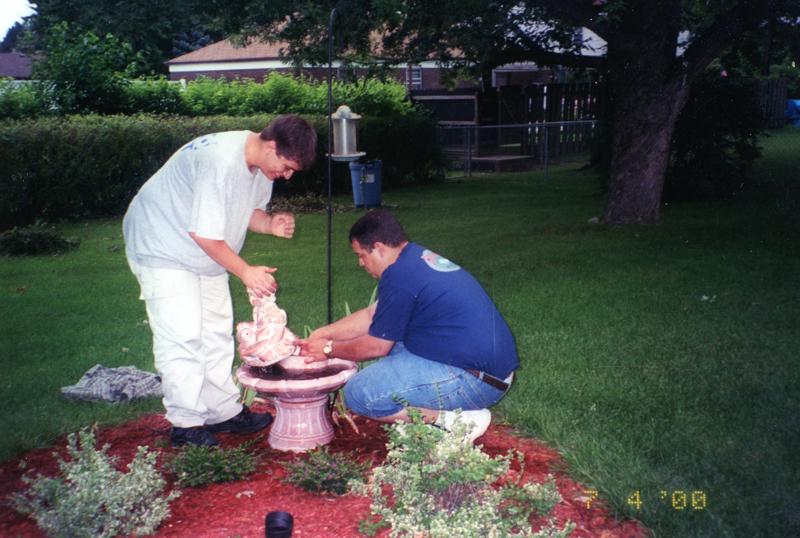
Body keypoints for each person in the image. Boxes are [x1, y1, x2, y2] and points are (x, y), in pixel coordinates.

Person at [123, 115, 317, 447]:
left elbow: (247, 213)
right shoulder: (220, 161)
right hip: (162, 243)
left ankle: (222, 411)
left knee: (215, 332)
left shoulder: (260, 166)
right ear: (271, 146)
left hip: (204, 251)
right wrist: (246, 271)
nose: (287, 176)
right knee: (183, 336)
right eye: (286, 167)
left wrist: (270, 223)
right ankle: (185, 424)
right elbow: (203, 233)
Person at [299, 210, 519, 442]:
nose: (360, 263)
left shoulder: (400, 276)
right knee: (395, 341)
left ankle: (455, 421)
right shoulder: (414, 258)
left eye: (361, 255)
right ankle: (438, 415)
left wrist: (328, 349)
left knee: (359, 394)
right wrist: (323, 334)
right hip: (488, 371)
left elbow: (376, 346)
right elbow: (371, 316)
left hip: (477, 382)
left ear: (379, 247)